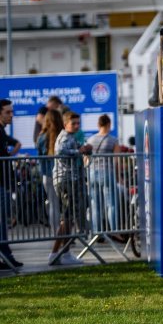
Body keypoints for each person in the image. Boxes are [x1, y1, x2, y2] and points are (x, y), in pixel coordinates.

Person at [49, 111, 92, 266]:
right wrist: (78, 151)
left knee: (69, 218)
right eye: (73, 123)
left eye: (78, 123)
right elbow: (60, 152)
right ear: (65, 123)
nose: (76, 126)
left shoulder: (72, 137)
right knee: (66, 219)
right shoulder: (64, 137)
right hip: (66, 181)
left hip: (72, 180)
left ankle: (64, 253)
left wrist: (87, 149)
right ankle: (55, 253)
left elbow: (80, 149)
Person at [87, 114, 121, 241]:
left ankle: (97, 233)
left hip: (92, 173)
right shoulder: (113, 140)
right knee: (111, 204)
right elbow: (117, 160)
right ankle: (115, 231)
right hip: (107, 173)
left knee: (96, 205)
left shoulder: (90, 140)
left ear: (98, 125)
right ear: (108, 124)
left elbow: (86, 159)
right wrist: (118, 176)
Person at [0, 99, 23, 268]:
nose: (11, 115)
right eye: (8, 112)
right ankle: (6, 256)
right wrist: (9, 156)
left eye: (12, 111)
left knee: (3, 221)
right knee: (2, 222)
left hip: (3, 182)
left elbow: (14, 144)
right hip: (0, 183)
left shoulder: (2, 132)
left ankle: (6, 256)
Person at [36, 108, 64, 244]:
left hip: (47, 175)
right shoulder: (62, 135)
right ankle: (66, 232)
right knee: (66, 206)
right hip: (61, 174)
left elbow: (40, 158)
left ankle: (56, 233)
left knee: (53, 205)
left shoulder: (41, 137)